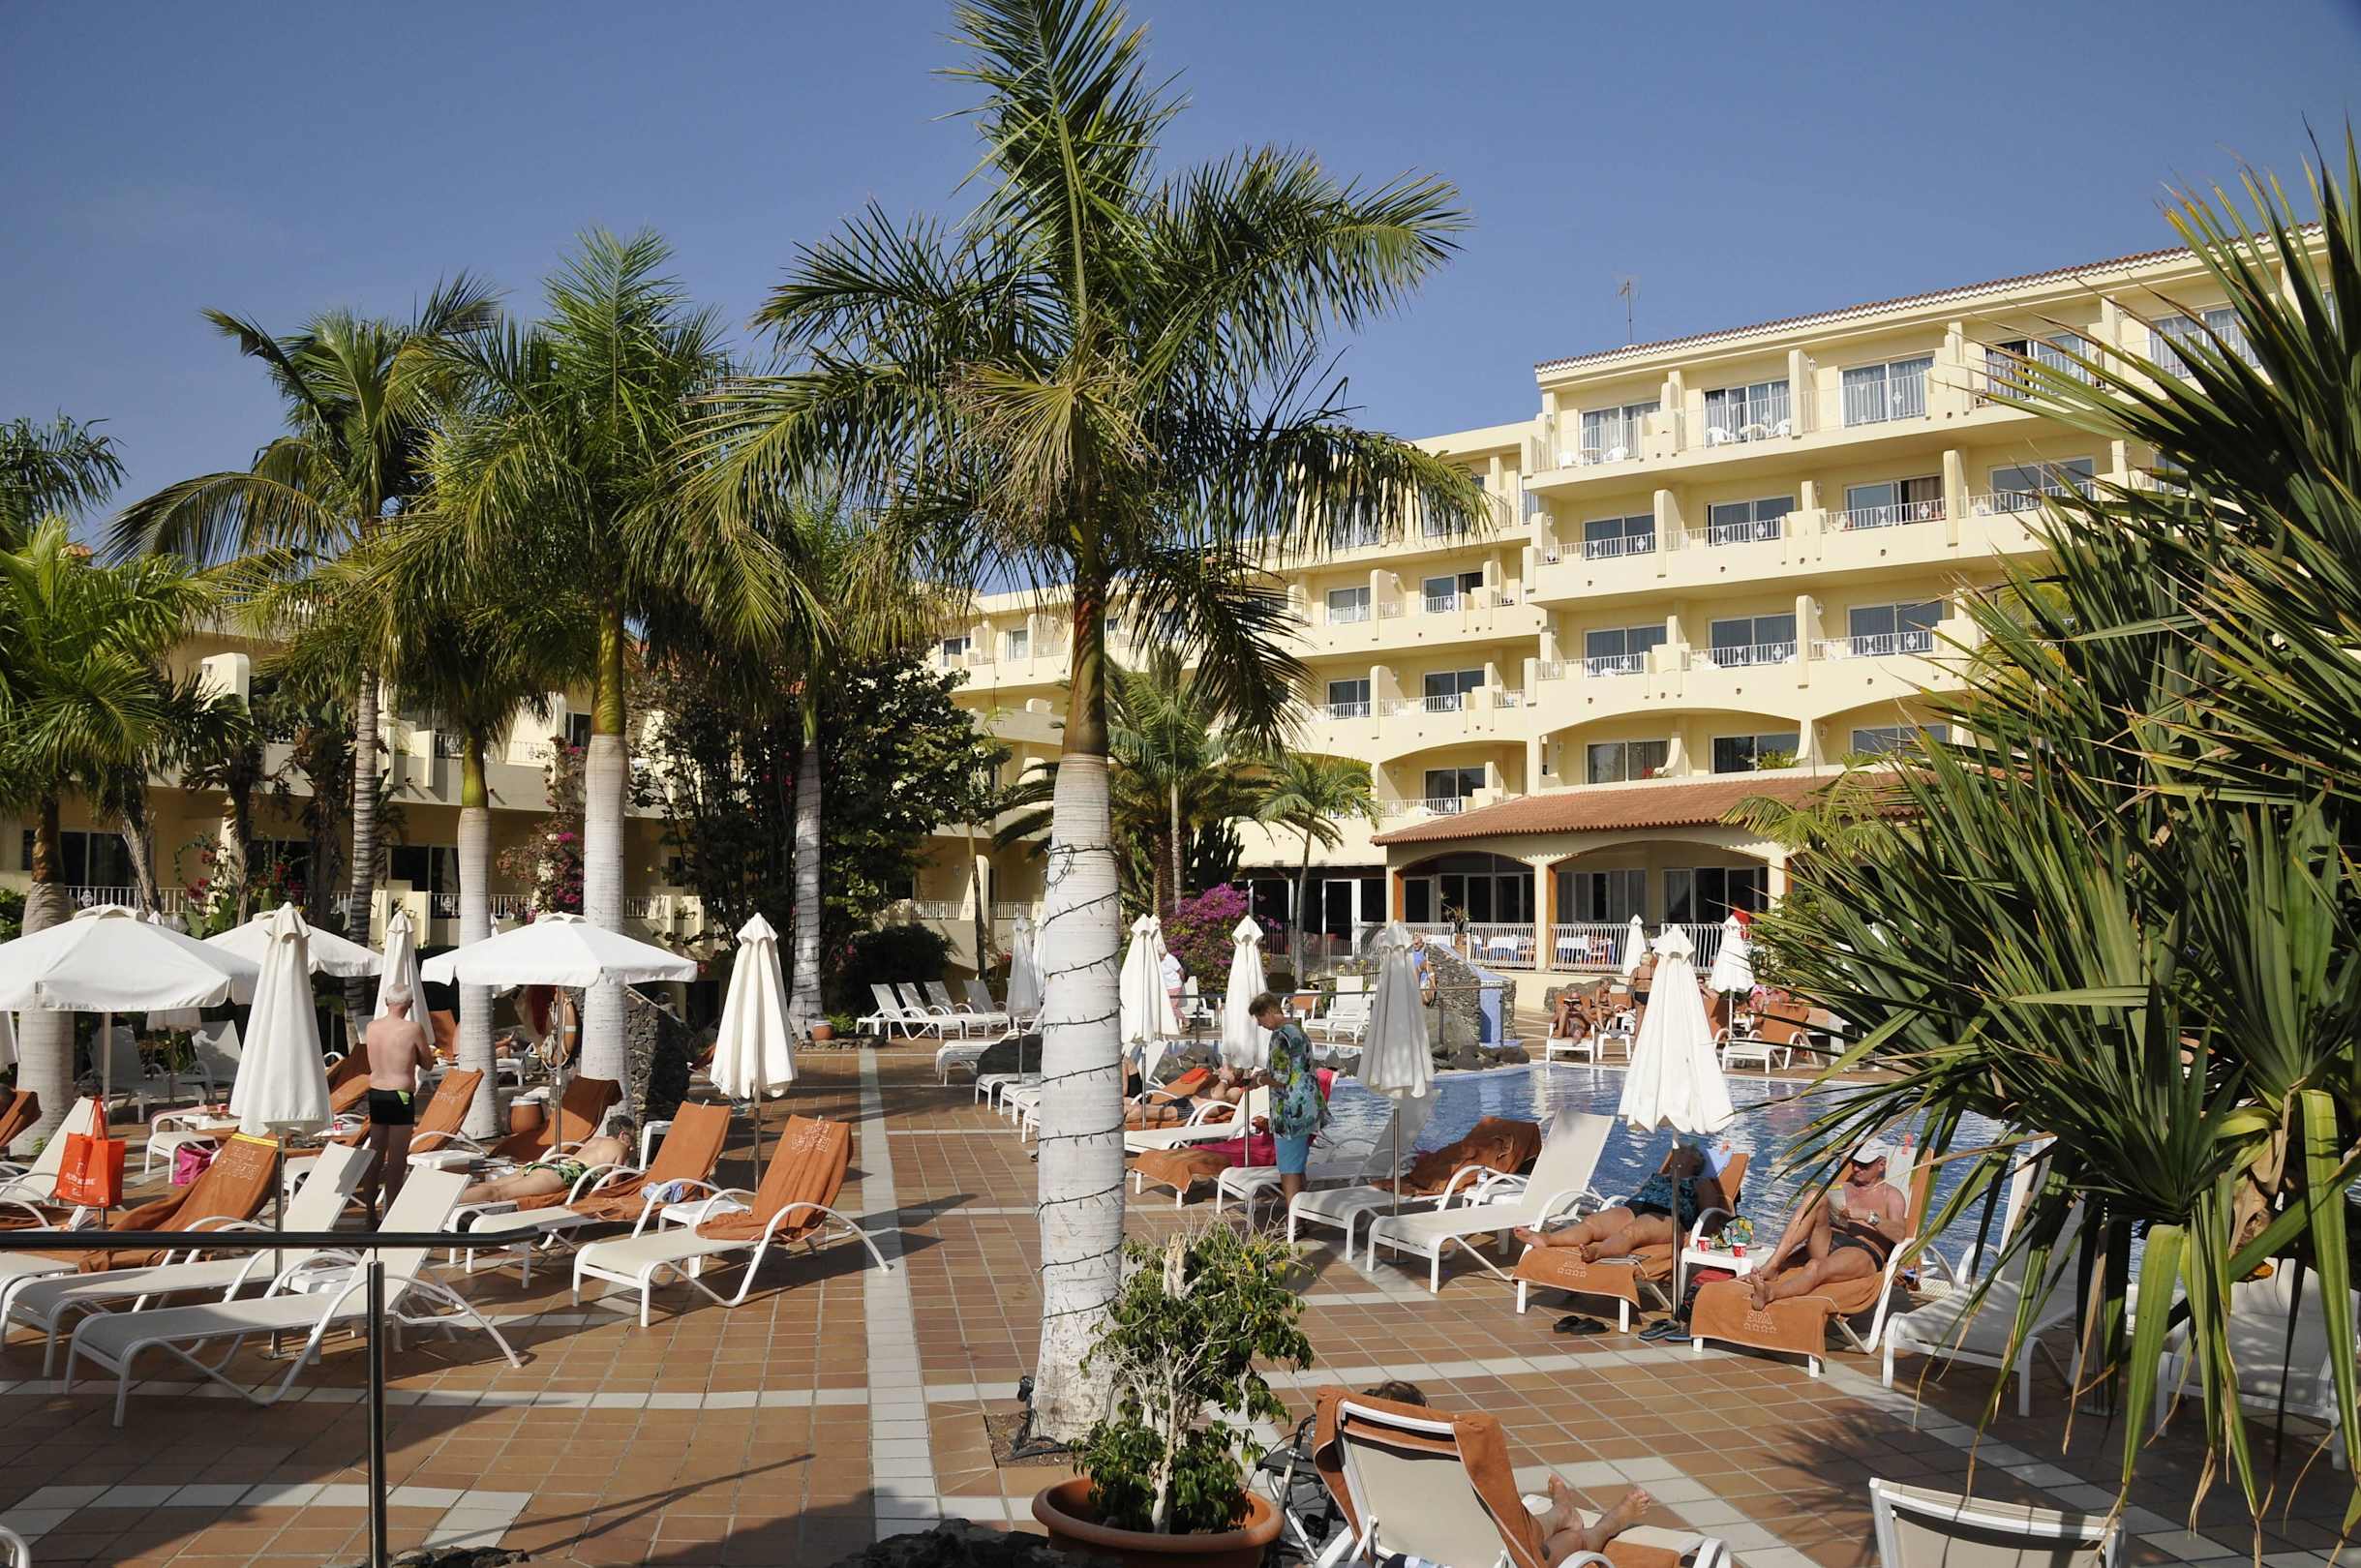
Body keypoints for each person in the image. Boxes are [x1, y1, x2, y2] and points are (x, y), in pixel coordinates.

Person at [1353, 1380, 1655, 1566]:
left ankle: (1562, 1512)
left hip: (1410, 1553)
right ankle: (1609, 1524)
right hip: (1488, 1559)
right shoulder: (1449, 1473)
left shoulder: (1371, 1474)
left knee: (1519, 1529)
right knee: (1575, 1541)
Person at [1744, 1137, 1907, 1310]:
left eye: (1863, 1165)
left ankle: (1771, 1293)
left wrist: (1868, 1216)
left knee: (1815, 1266)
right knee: (1814, 1196)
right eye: (1854, 1162)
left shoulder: (1891, 1196)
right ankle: (1773, 1265)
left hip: (1862, 1251)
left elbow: (1900, 1235)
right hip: (1828, 1240)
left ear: (1881, 1165)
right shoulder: (1842, 1187)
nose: (1856, 1168)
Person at [1511, 1141, 1731, 1262]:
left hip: (1668, 1216)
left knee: (1631, 1232)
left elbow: (1710, 1213)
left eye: (1684, 1152)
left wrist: (1695, 1238)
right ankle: (1547, 1239)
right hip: (1635, 1207)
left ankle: (1598, 1252)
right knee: (1592, 1222)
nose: (1677, 1153)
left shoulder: (1701, 1182)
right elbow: (1638, 1193)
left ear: (1695, 1162)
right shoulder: (1659, 1176)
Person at [360, 984, 439, 1220]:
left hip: (377, 1092)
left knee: (375, 1154)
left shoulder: (372, 1027)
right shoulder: (413, 1029)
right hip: (400, 1095)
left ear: (386, 1002)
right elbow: (427, 1064)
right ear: (410, 1005)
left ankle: (369, 1214)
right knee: (397, 1158)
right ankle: (391, 1216)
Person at [1249, 991, 1323, 1206]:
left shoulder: (1279, 1036)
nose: (1260, 1024)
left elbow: (1281, 1079)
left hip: (1289, 1111)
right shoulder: (1297, 1031)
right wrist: (1265, 1072)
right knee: (1298, 1164)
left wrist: (1259, 1081)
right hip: (1308, 1106)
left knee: (1288, 1168)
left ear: (1269, 1012)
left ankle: (1294, 1218)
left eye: (1260, 1018)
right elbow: (1297, 1067)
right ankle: (1301, 1214)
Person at [460, 1121, 637, 1207]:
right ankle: (449, 1204)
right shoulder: (620, 1147)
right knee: (499, 1194)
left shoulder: (595, 1140)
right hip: (563, 1175)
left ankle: (452, 1197)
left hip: (551, 1166)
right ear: (623, 1135)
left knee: (491, 1186)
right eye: (633, 1139)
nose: (633, 1146)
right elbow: (613, 1185)